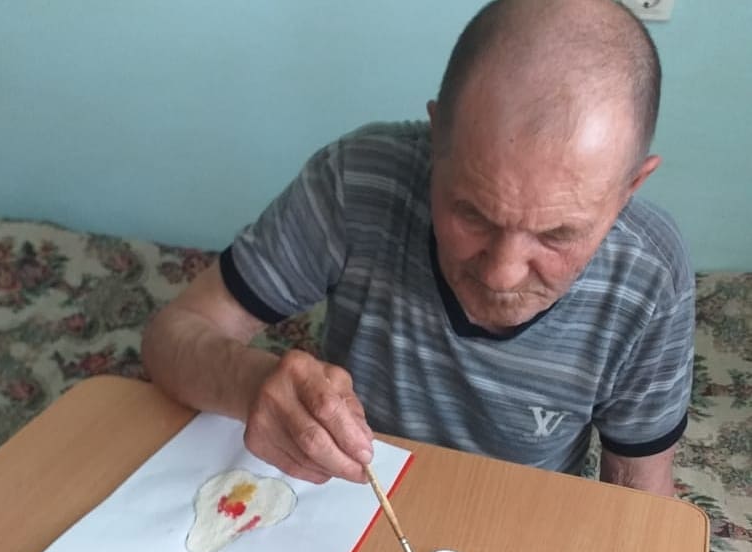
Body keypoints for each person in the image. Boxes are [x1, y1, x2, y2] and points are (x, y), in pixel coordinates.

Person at [141, 0, 694, 496]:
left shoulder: (650, 275)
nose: (502, 275)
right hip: (347, 502)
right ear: (436, 137)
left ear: (629, 189)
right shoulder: (356, 181)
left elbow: (638, 489)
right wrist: (249, 382)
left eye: (557, 235)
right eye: (472, 213)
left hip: (522, 516)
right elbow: (172, 336)